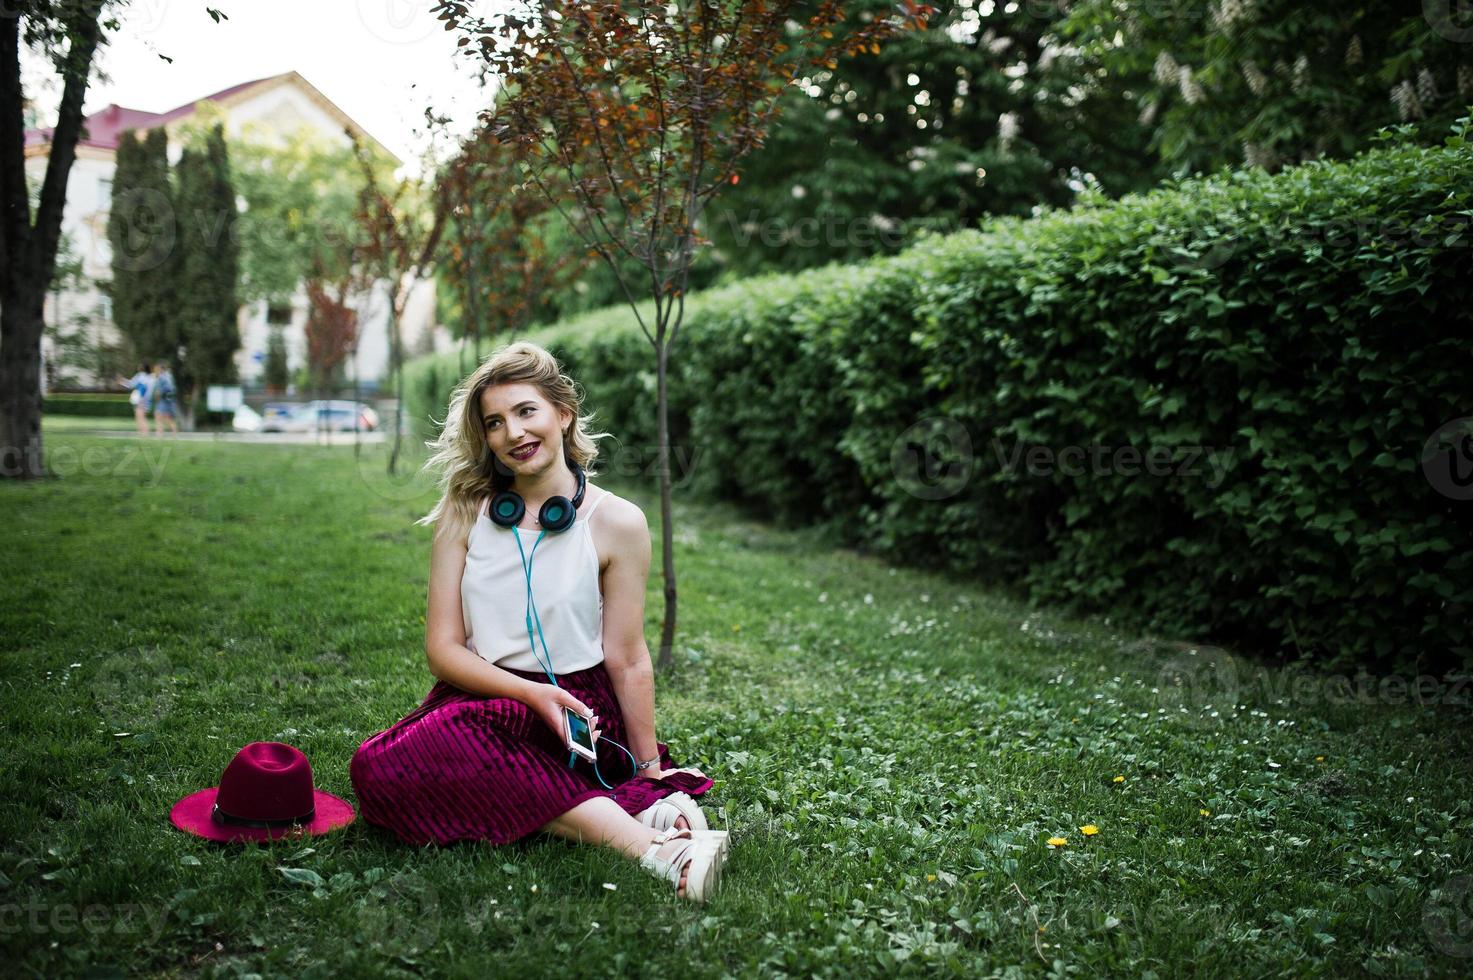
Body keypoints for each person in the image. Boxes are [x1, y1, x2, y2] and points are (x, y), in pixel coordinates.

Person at [349, 341, 728, 902]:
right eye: (495, 422)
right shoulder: (464, 510)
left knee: (434, 763)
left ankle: (656, 845)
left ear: (562, 413)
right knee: (376, 768)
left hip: (580, 709)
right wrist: (529, 696)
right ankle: (646, 834)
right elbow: (443, 648)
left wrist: (647, 766)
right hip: (482, 697)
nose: (513, 434)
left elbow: (626, 655)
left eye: (527, 411)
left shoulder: (618, 522)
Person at [115, 363, 153, 437]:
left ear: (142, 368)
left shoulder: (140, 375)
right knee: (143, 417)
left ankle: (143, 435)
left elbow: (131, 384)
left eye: (140, 366)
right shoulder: (151, 377)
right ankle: (145, 434)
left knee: (139, 417)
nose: (138, 367)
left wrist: (122, 381)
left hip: (141, 399)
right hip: (148, 400)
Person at [149, 362, 179, 437]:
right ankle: (175, 436)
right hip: (170, 400)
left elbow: (158, 391)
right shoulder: (169, 375)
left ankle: (159, 435)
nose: (155, 371)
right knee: (168, 418)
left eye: (156, 369)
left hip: (163, 400)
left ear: (160, 369)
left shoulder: (161, 377)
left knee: (158, 416)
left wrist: (156, 397)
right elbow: (172, 388)